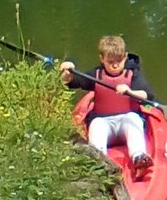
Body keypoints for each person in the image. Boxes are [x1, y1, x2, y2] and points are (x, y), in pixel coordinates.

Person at [60, 34, 155, 180]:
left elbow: (147, 95)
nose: (115, 65)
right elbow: (72, 82)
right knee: (96, 125)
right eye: (110, 62)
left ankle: (138, 158)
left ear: (125, 57)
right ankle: (100, 162)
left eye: (119, 61)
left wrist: (130, 92)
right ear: (102, 59)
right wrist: (68, 74)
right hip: (103, 121)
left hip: (126, 120)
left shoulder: (132, 74)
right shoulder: (96, 74)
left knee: (133, 119)